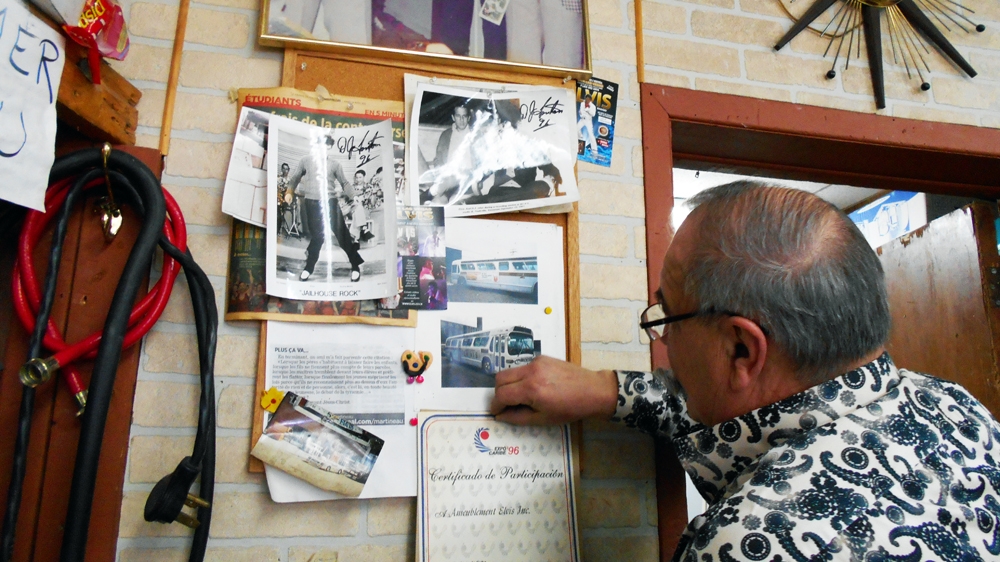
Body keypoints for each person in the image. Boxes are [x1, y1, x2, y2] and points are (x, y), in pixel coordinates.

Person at [490, 181, 1000, 562]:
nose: (663, 337)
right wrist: (609, 392)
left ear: (741, 349)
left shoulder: (747, 544)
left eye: (668, 315)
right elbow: (765, 414)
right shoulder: (955, 406)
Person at [284, 136, 364, 282]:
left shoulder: (335, 164)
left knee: (342, 236)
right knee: (318, 237)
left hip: (330, 202)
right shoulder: (305, 161)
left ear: (329, 148)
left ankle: (355, 266)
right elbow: (295, 178)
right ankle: (309, 268)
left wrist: (353, 196)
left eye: (326, 146)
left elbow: (345, 183)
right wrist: (289, 192)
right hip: (311, 203)